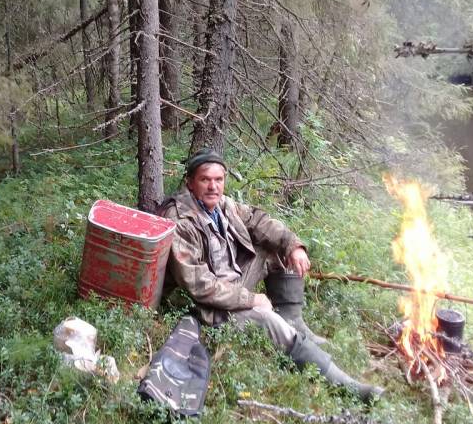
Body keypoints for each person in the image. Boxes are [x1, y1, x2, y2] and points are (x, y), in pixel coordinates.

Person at [158, 148, 383, 401]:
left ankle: (294, 322)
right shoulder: (180, 220)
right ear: (190, 182)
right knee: (269, 320)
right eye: (205, 179)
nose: (213, 186)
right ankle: (346, 386)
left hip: (230, 285)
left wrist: (293, 245)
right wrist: (251, 299)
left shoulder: (222, 205)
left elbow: (258, 219)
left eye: (218, 180)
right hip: (203, 308)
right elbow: (198, 286)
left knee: (276, 248)